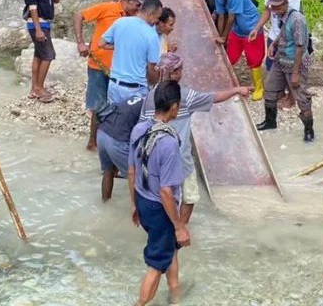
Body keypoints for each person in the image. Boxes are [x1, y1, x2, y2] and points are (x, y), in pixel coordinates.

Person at [140, 53, 250, 222]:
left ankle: (169, 226)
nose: (182, 73)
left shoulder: (149, 97)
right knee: (189, 196)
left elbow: (142, 129)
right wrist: (236, 90)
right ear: (174, 73)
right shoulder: (185, 96)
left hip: (155, 159)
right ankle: (182, 227)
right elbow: (214, 97)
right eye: (180, 70)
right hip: (181, 158)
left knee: (163, 195)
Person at [128, 81, 190, 306]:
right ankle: (140, 303)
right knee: (155, 265)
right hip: (159, 209)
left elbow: (132, 170)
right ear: (174, 107)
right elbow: (166, 192)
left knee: (168, 249)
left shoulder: (139, 128)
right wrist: (179, 226)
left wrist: (135, 205)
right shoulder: (169, 143)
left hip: (143, 201)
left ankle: (175, 294)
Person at [74, 0, 144, 151]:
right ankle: (93, 143)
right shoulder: (107, 9)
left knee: (118, 108)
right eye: (137, 5)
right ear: (127, 0)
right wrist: (80, 42)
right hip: (98, 67)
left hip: (120, 71)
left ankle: (112, 144)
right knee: (98, 106)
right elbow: (79, 15)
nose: (138, 9)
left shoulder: (134, 19)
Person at [257, 0, 315, 142]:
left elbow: (300, 47)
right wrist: (274, 44)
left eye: (277, 7)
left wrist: (295, 73)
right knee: (269, 87)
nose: (274, 10)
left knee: (301, 96)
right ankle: (270, 122)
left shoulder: (297, 19)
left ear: (285, 4)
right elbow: (283, 32)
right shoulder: (284, 16)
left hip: (296, 62)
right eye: (273, 7)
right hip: (281, 58)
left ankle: (309, 131)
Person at [249, 0, 301, 107]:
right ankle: (279, 93)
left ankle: (291, 99)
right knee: (271, 64)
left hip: (288, 37)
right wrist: (257, 28)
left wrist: (280, 40)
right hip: (274, 33)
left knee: (289, 67)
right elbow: (268, 9)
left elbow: (291, 19)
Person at [102, 0, 164, 104]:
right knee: (134, 120)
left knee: (113, 118)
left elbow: (101, 43)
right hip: (135, 90)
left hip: (114, 86)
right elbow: (151, 68)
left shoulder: (120, 22)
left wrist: (121, 46)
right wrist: (156, 81)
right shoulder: (151, 35)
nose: (157, 21)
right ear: (151, 15)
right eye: (157, 18)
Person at [212, 0, 266, 99]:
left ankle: (259, 87)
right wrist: (220, 36)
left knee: (254, 59)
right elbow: (221, 16)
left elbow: (231, 17)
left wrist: (224, 37)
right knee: (230, 57)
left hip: (251, 30)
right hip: (237, 31)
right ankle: (224, 83)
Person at [23, 0, 60, 102]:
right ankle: (39, 87)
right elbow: (32, 6)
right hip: (38, 23)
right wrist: (38, 29)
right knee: (48, 54)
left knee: (39, 55)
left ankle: (34, 88)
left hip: (44, 22)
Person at [95, 93, 146, 202]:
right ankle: (137, 211)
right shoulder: (148, 108)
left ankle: (105, 203)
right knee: (137, 176)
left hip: (102, 133)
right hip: (117, 140)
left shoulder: (135, 96)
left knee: (108, 171)